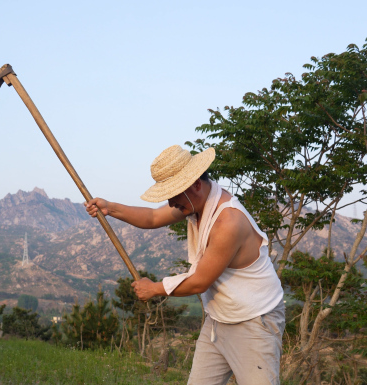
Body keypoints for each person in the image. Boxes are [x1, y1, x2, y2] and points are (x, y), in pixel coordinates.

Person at [85, 145, 285, 385]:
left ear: (196, 184)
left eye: (174, 194)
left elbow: (200, 281)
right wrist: (110, 208)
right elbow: (152, 218)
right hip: (219, 320)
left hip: (254, 323)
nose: (171, 202)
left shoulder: (228, 222)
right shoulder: (196, 203)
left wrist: (155, 288)